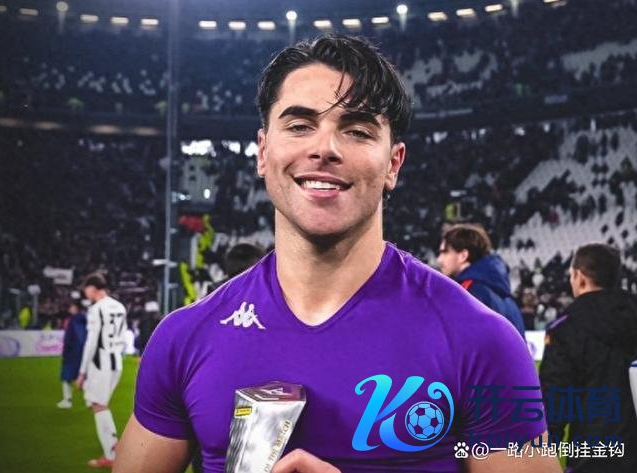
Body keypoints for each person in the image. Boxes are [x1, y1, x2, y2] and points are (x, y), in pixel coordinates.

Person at [114, 35, 560, 472]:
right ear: (263, 152)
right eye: (299, 125)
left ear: (393, 163)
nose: (324, 148)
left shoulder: (482, 342)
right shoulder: (184, 338)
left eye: (358, 131)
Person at [540, 243, 637, 472]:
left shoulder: (566, 328)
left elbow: (554, 400)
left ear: (580, 277)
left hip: (593, 456)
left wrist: (544, 455)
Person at [437, 223, 526, 337]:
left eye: (444, 252)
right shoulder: (508, 299)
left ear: (463, 255)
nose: (439, 260)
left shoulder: (467, 292)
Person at [77, 273, 127, 469]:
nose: (85, 294)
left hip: (101, 363)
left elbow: (91, 343)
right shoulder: (120, 306)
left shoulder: (96, 309)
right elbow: (123, 338)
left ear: (92, 288)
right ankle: (113, 446)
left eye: (86, 290)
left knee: (98, 405)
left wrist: (82, 372)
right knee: (99, 403)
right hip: (116, 363)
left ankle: (111, 454)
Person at [57, 301, 87, 409]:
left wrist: (66, 352)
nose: (69, 308)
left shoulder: (73, 321)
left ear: (75, 308)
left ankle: (67, 400)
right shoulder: (86, 320)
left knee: (66, 377)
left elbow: (70, 338)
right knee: (83, 378)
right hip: (82, 354)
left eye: (71, 306)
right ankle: (91, 400)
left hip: (72, 354)